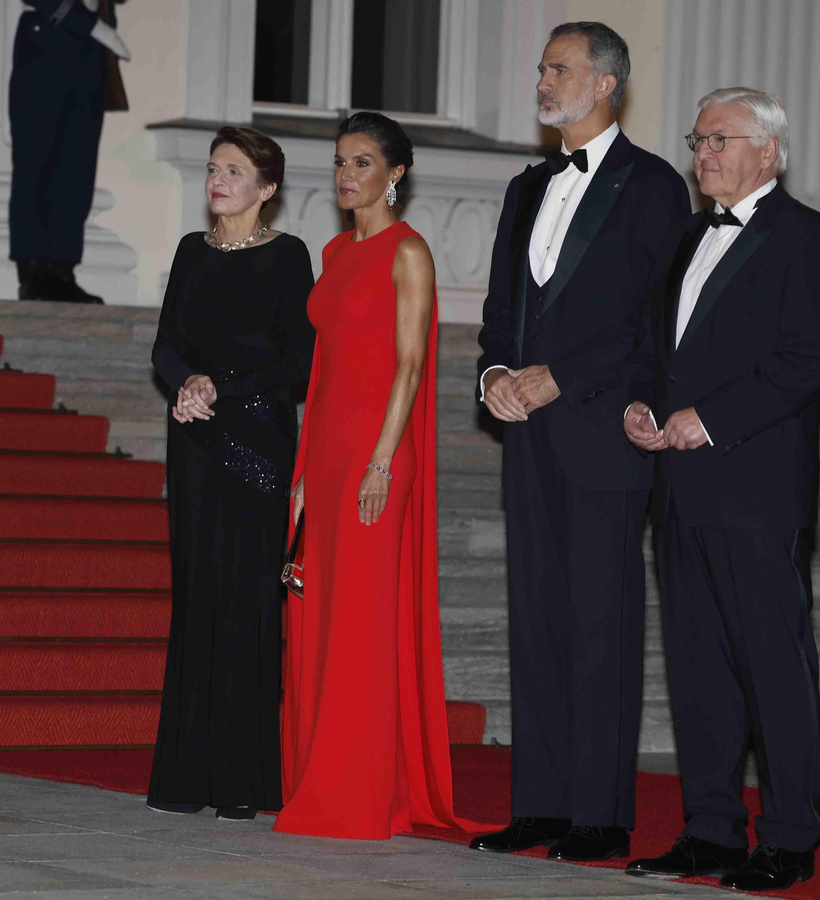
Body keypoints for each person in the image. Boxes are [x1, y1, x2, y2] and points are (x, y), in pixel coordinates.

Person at [621, 87, 820, 893]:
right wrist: (646, 408)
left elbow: (809, 358)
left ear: (769, 152)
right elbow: (664, 356)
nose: (703, 152)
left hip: (756, 489)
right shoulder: (686, 239)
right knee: (698, 669)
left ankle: (789, 839)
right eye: (698, 138)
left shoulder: (809, 239)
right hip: (679, 488)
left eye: (721, 138)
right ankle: (711, 830)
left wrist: (708, 420)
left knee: (773, 671)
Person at [469, 22, 689, 862]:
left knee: (602, 622)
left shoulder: (654, 186)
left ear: (605, 83)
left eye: (559, 68)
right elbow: (500, 311)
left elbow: (653, 323)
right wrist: (492, 376)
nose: (542, 79)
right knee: (537, 619)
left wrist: (559, 376)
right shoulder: (526, 186)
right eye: (541, 66)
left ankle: (599, 813)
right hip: (525, 433)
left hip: (602, 430)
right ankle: (542, 806)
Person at [276, 112, 477, 840]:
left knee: (361, 617)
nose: (345, 175)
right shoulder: (333, 251)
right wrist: (303, 470)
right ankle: (317, 776)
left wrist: (383, 461)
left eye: (362, 162)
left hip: (377, 452)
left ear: (395, 174)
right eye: (339, 162)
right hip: (326, 452)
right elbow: (323, 369)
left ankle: (359, 790)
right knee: (320, 613)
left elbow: (412, 364)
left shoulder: (410, 253)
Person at [146, 126, 316, 820]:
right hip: (194, 437)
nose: (218, 180)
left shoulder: (289, 256)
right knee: (197, 596)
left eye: (235, 171)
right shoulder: (193, 251)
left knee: (247, 602)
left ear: (267, 188)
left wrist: (224, 385)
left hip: (257, 442)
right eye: (214, 168)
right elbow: (166, 342)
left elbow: (301, 360)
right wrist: (188, 382)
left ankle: (243, 784)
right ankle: (187, 779)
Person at [8, 0, 131, 303]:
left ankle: (61, 271)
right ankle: (35, 273)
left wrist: (93, 27)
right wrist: (90, 25)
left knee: (76, 170)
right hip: (48, 36)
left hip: (87, 47)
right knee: (36, 166)